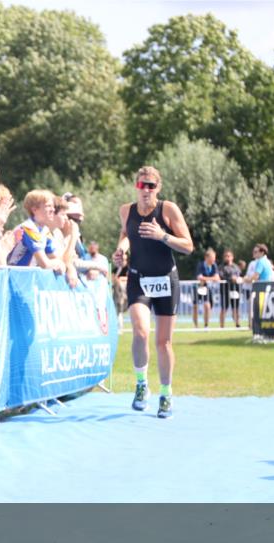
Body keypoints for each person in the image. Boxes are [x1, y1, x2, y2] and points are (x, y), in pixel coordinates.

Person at [112, 166, 193, 419]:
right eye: (141, 185)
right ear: (136, 186)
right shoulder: (126, 210)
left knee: (163, 342)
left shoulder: (167, 209)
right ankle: (141, 384)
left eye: (150, 185)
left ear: (158, 188)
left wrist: (162, 236)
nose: (145, 190)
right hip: (138, 278)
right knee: (139, 331)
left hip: (166, 280)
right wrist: (120, 251)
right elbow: (126, 235)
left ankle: (166, 394)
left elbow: (188, 246)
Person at [6, 190, 66, 273]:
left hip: (24, 278)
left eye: (53, 206)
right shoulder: (29, 228)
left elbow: (54, 257)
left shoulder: (44, 230)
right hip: (13, 277)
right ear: (34, 209)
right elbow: (44, 264)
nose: (53, 209)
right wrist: (59, 263)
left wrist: (59, 262)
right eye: (48, 206)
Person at [193, 248, 220, 328]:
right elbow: (199, 277)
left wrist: (206, 279)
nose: (213, 260)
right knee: (195, 307)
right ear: (206, 257)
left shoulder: (214, 265)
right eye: (212, 258)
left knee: (207, 306)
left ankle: (206, 325)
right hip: (197, 287)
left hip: (207, 288)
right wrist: (211, 279)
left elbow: (217, 278)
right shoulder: (200, 265)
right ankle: (196, 326)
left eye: (214, 258)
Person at [217, 249, 242, 327]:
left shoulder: (236, 267)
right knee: (224, 308)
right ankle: (222, 326)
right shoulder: (221, 267)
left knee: (236, 308)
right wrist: (231, 278)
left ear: (232, 257)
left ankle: (237, 324)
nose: (227, 258)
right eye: (225, 256)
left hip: (235, 290)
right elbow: (221, 276)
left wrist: (236, 278)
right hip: (225, 290)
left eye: (229, 256)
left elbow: (239, 275)